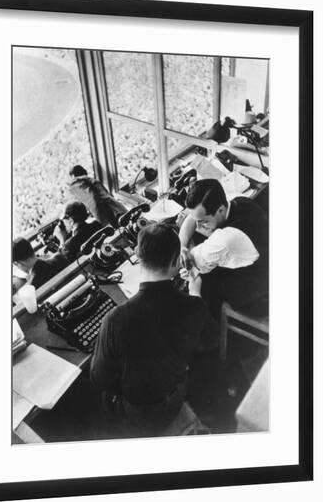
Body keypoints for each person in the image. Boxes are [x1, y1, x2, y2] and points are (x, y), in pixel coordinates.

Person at [90, 223, 218, 438]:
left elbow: (99, 379)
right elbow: (212, 339)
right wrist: (196, 295)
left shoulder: (114, 320)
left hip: (138, 415)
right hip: (176, 396)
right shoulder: (194, 306)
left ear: (138, 257)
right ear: (176, 262)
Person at [179, 179, 268, 317]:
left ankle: (211, 330)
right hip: (265, 262)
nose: (197, 226)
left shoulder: (226, 239)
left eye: (203, 222)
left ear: (220, 209)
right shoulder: (239, 202)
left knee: (204, 284)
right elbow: (192, 218)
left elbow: (191, 264)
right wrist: (181, 245)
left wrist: (190, 266)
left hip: (258, 292)